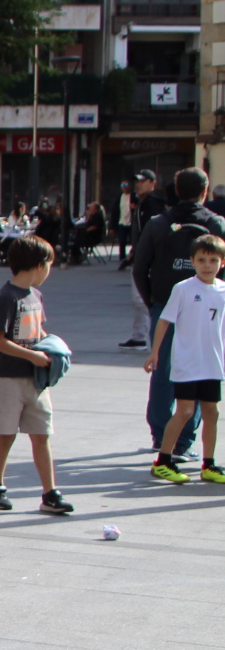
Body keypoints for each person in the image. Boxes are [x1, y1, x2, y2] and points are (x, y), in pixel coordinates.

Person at [131, 168, 225, 458]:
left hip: (164, 304)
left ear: (176, 191)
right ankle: (184, 441)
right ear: (205, 191)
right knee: (200, 370)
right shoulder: (216, 224)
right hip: (206, 308)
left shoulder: (159, 224)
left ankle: (161, 435)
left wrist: (153, 302)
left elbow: (139, 267)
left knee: (162, 370)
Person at [0, 236, 71, 515]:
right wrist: (32, 355)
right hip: (7, 378)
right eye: (49, 265)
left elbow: (37, 331)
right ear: (38, 265)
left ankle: (50, 493)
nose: (49, 271)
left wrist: (52, 347)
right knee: (6, 435)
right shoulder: (7, 297)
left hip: (35, 379)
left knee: (42, 435)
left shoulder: (36, 296)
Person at [144, 233, 225, 484]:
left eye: (213, 260)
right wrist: (155, 352)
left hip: (212, 363)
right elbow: (164, 320)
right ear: (192, 261)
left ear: (222, 262)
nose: (207, 265)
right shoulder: (183, 289)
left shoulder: (223, 290)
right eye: (201, 260)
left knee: (211, 412)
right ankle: (163, 461)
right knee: (185, 411)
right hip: (188, 362)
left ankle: (209, 465)